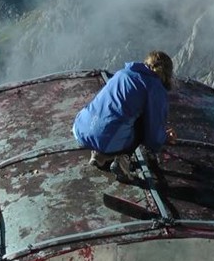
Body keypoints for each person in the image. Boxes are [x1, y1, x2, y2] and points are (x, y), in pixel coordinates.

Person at [72, 50, 176, 179]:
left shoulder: (122, 73)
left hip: (80, 129)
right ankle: (122, 161)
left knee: (115, 113)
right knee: (141, 124)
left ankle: (99, 156)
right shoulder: (155, 88)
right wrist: (164, 137)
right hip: (107, 139)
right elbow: (152, 134)